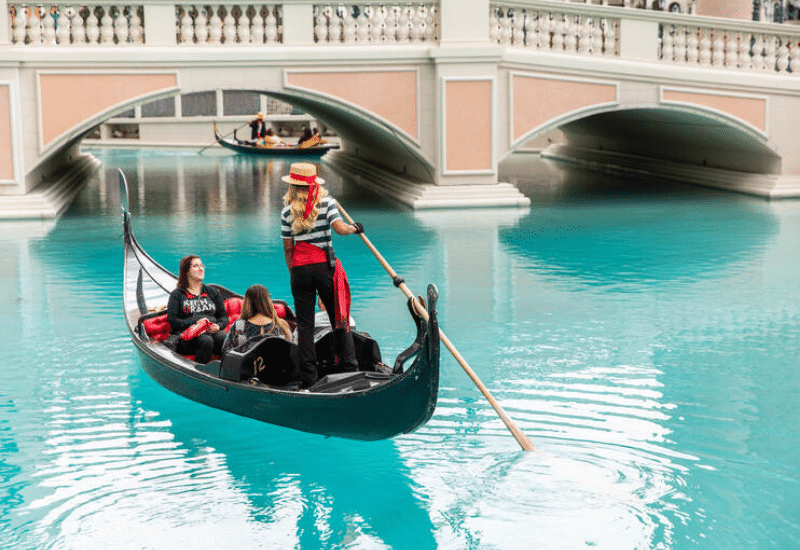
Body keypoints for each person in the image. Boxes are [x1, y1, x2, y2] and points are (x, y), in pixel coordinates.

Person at [281, 163, 364, 388]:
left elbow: (288, 249)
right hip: (323, 268)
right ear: (314, 184)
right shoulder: (327, 203)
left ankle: (308, 378)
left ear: (293, 186)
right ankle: (349, 369)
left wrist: (294, 274)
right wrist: (355, 228)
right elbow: (340, 228)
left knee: (305, 325)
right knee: (338, 318)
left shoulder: (286, 211)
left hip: (299, 270)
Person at [166, 255, 228, 364]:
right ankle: (200, 372)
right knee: (206, 340)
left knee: (223, 337)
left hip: (211, 332)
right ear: (187, 272)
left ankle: (228, 372)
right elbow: (173, 322)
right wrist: (196, 323)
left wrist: (218, 326)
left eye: (201, 265)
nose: (201, 269)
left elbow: (223, 317)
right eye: (195, 266)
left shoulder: (212, 292)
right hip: (187, 338)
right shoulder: (177, 295)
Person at [222, 284, 292, 354]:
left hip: (246, 363)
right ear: (268, 301)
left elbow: (226, 352)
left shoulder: (238, 326)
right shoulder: (282, 325)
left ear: (247, 303)